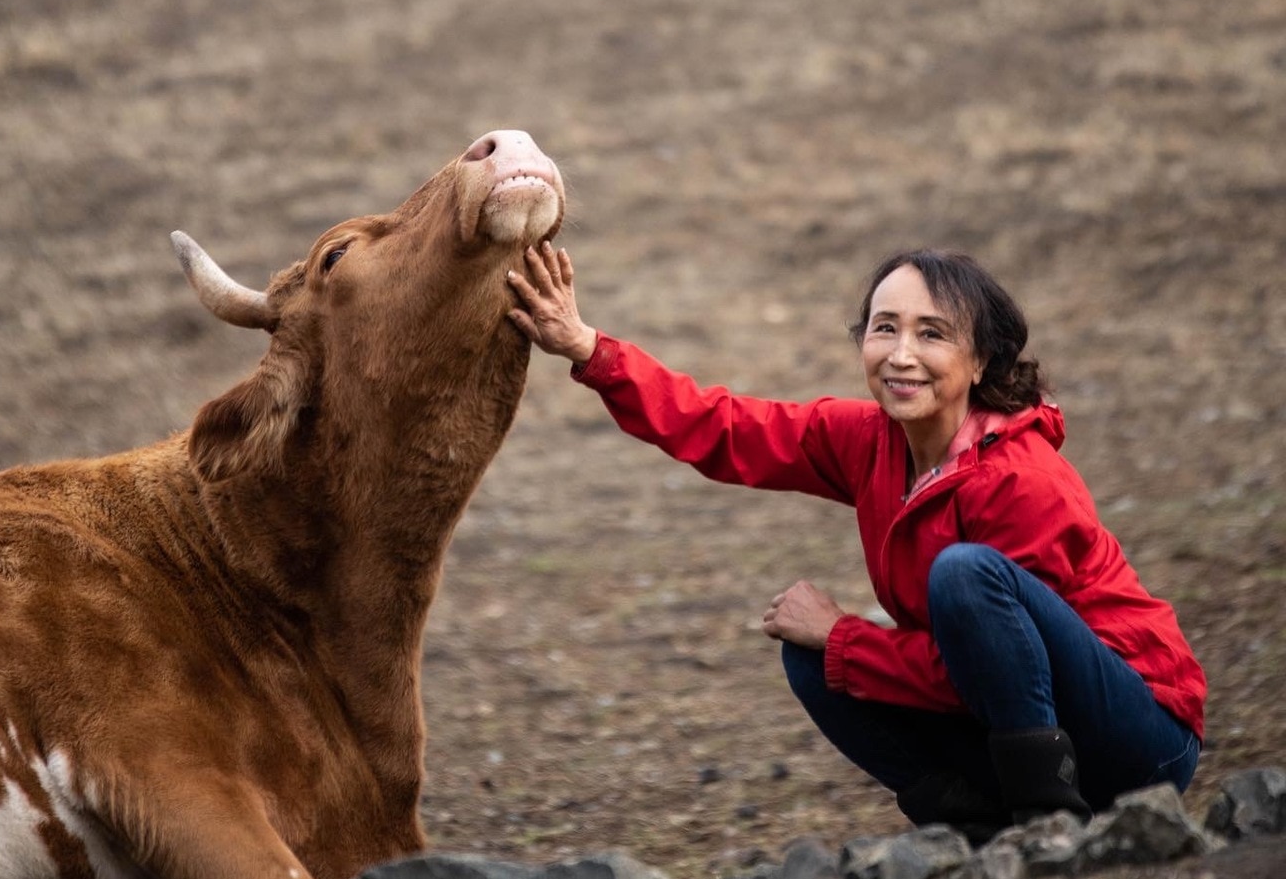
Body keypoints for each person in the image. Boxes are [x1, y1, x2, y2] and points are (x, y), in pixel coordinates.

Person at [507, 242, 1205, 840]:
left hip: (1140, 736)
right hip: (1029, 725)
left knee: (954, 580)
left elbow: (1015, 669)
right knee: (813, 659)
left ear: (982, 359)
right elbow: (725, 428)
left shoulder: (1022, 479)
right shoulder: (868, 440)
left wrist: (845, 636)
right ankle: (981, 828)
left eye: (932, 334)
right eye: (883, 328)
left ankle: (1049, 826)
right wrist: (590, 350)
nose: (902, 355)